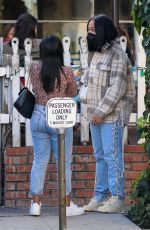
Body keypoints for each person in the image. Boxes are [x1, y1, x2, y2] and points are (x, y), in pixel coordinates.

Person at [82, 15, 135, 213]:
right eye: (88, 29)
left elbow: (117, 89)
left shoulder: (118, 55)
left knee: (112, 156)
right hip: (94, 115)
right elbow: (86, 80)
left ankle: (117, 197)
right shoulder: (95, 53)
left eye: (93, 30)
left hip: (111, 115)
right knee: (100, 156)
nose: (90, 33)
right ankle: (100, 196)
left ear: (104, 30)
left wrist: (100, 112)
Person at [29, 35, 85, 217]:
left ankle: (35, 204)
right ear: (60, 51)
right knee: (63, 162)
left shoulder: (34, 68)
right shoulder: (66, 72)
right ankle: (66, 205)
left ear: (43, 51)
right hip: (59, 117)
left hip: (37, 115)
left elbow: (35, 88)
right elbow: (73, 93)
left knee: (39, 160)